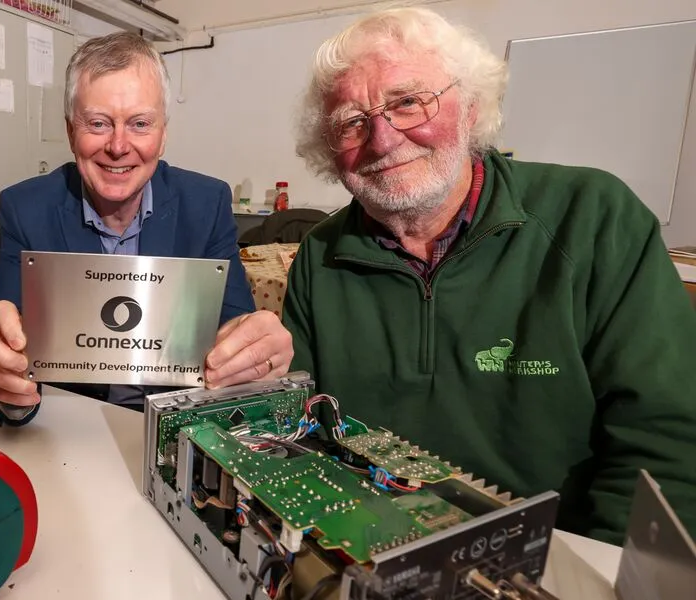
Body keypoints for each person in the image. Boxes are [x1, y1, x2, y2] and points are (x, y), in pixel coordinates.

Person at [284, 7, 696, 544]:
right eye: (351, 122)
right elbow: (297, 428)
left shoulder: (594, 217)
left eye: (408, 102)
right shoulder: (320, 253)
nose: (382, 139)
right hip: (365, 544)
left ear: (472, 107)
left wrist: (598, 573)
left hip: (556, 556)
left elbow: (666, 441)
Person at [0, 32, 294, 424]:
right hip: (71, 425)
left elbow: (233, 321)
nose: (119, 146)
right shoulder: (25, 208)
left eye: (140, 123)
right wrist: (6, 384)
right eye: (98, 123)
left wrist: (253, 351)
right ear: (71, 131)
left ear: (163, 135)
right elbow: (5, 333)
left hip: (176, 421)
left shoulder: (206, 203)